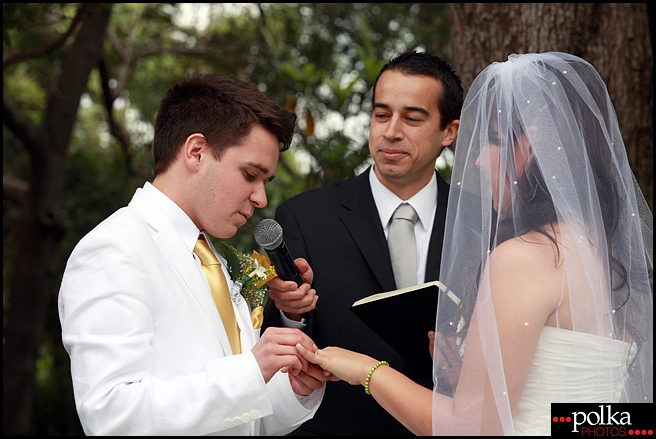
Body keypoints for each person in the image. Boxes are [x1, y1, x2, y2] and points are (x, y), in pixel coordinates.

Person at [295, 52, 654, 435]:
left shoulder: (524, 258)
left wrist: (368, 371)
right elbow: (611, 419)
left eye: (494, 141)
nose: (480, 161)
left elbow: (472, 429)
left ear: (532, 147)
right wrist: (466, 375)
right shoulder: (607, 253)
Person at [58, 73, 328, 435]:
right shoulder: (114, 249)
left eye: (265, 182)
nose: (262, 199)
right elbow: (112, 418)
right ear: (196, 151)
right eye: (250, 174)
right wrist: (251, 370)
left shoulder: (209, 256)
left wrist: (293, 389)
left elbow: (242, 421)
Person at [262, 50, 463, 435]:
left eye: (413, 117)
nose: (391, 131)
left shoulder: (482, 222)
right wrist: (290, 311)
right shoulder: (305, 217)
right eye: (381, 114)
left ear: (448, 132)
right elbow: (280, 351)